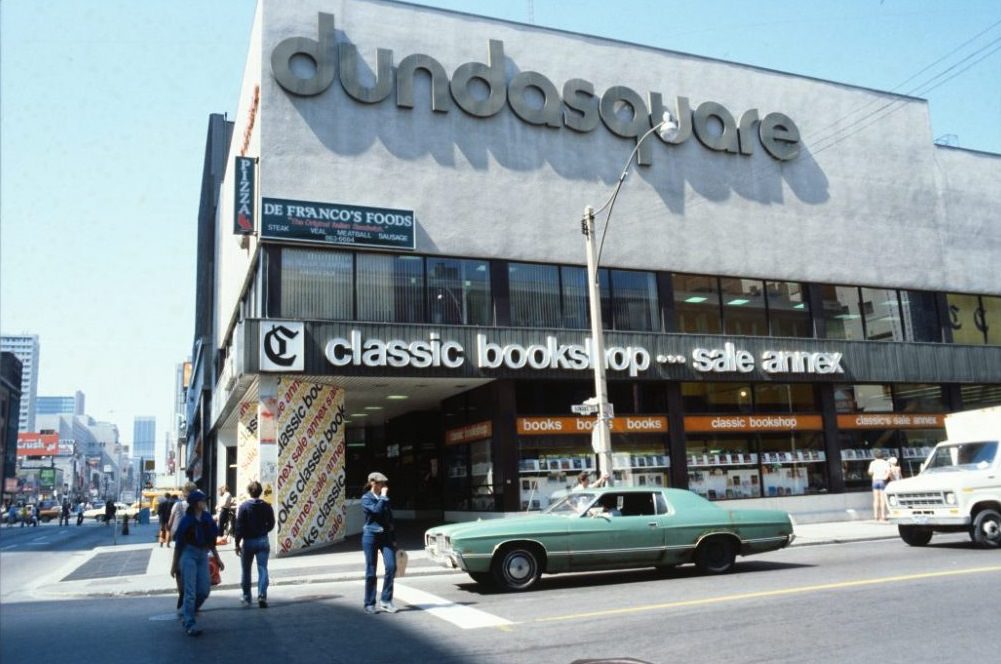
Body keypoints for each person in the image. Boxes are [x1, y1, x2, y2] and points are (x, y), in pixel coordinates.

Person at [170, 490, 223, 637]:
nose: (205, 502)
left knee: (204, 590)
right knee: (191, 592)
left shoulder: (207, 518)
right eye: (202, 500)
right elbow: (179, 544)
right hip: (188, 554)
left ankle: (188, 613)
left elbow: (212, 540)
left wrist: (217, 558)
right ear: (195, 504)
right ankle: (190, 623)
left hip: (203, 554)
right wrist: (174, 565)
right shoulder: (186, 521)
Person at [234, 480, 276, 608]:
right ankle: (262, 595)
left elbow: (239, 527)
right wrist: (264, 531)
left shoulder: (244, 507)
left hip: (248, 542)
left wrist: (237, 543)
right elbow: (272, 523)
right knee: (262, 568)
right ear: (260, 492)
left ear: (249, 492)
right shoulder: (267, 506)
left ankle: (247, 597)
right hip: (263, 540)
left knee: (246, 570)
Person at [361, 471, 398, 615]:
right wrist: (383, 497)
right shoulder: (366, 498)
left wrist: (394, 539)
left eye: (384, 483)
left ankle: (386, 600)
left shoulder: (384, 498)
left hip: (386, 536)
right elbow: (376, 512)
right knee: (371, 570)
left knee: (391, 566)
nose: (384, 486)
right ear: (373, 483)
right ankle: (369, 603)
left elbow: (390, 519)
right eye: (381, 483)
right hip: (370, 536)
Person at [167, 482, 197, 610]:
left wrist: (169, 530)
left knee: (179, 570)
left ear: (184, 493)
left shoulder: (177, 505)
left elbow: (170, 522)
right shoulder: (198, 505)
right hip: (195, 541)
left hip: (180, 540)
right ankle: (191, 597)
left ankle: (182, 592)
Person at [867, 450, 891, 522]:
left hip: (875, 480)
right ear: (882, 456)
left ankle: (876, 516)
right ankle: (883, 516)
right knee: (882, 499)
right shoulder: (885, 462)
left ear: (875, 456)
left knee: (876, 499)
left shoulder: (873, 463)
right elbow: (888, 471)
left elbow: (870, 472)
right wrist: (885, 477)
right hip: (882, 480)